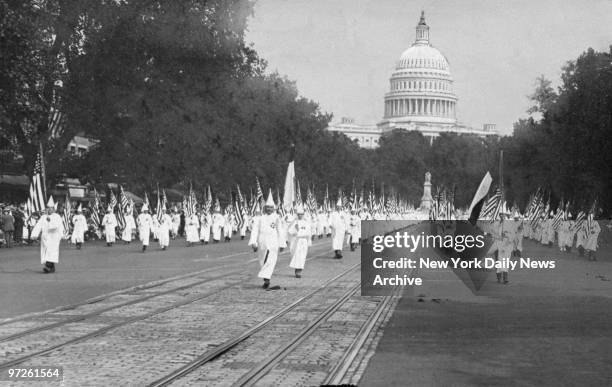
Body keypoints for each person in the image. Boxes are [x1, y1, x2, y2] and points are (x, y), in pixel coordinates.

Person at [249, 190, 286, 289]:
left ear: (273, 208)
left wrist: (282, 244)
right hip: (262, 242)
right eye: (267, 207)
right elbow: (254, 231)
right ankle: (266, 278)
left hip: (273, 243)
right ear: (265, 208)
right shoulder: (259, 218)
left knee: (270, 261)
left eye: (271, 207)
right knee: (263, 261)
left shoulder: (277, 218)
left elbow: (280, 231)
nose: (269, 209)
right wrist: (253, 242)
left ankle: (267, 279)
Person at [31, 197, 64, 273]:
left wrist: (50, 222)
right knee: (46, 252)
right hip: (45, 237)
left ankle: (48, 266)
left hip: (54, 237)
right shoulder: (43, 217)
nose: (49, 210)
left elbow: (56, 226)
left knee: (51, 251)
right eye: (48, 208)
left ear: (54, 209)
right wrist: (34, 234)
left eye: (51, 208)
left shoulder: (57, 216)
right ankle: (51, 267)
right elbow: (38, 225)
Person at [288, 206, 312, 278]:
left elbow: (309, 232)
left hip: (303, 241)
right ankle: (297, 270)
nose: (300, 215)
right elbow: (289, 231)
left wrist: (309, 241)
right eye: (299, 214)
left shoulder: (306, 222)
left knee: (302, 256)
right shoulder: (294, 222)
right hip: (296, 242)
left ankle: (299, 271)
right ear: (297, 214)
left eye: (301, 214)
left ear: (303, 214)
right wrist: (295, 231)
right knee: (296, 256)